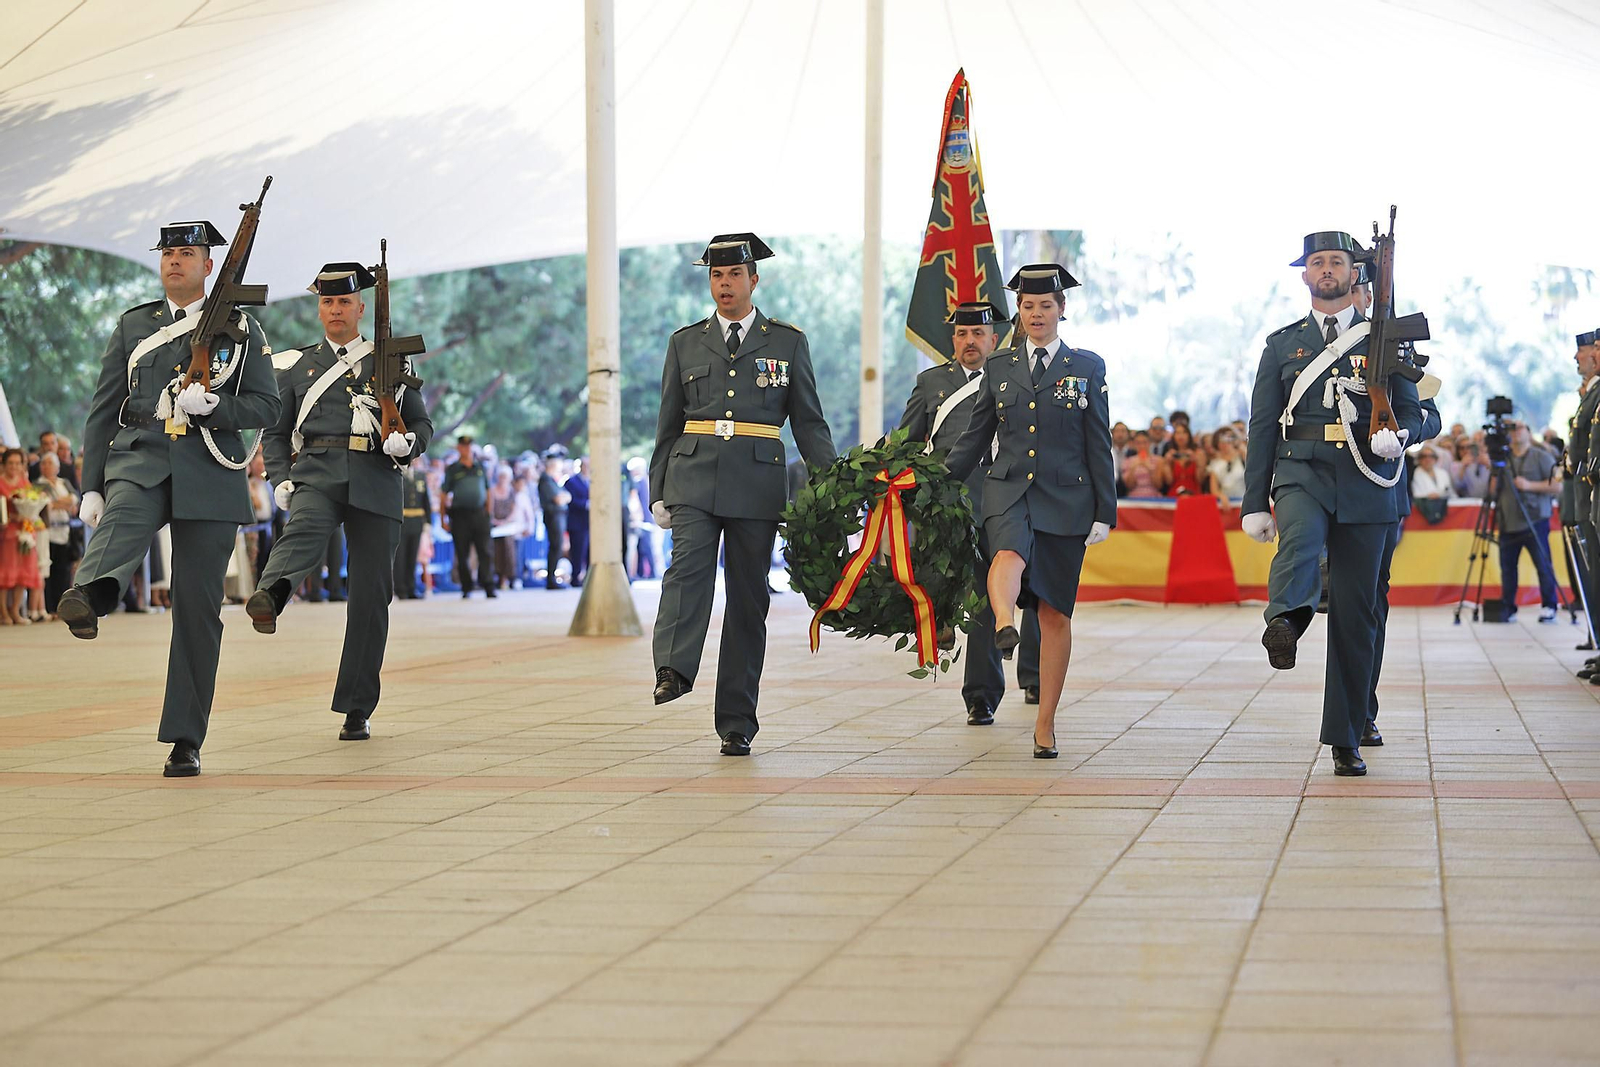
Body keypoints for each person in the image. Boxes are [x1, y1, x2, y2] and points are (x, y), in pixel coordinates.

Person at [58, 219, 279, 776]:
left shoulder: (242, 329)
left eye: (187, 253)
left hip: (209, 468)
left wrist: (218, 409)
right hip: (142, 454)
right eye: (168, 253)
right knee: (124, 516)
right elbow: (103, 407)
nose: (175, 261)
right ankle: (90, 593)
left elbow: (267, 407)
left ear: (210, 266)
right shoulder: (135, 325)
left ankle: (185, 737)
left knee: (197, 609)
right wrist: (90, 483)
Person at [1241, 230, 1423, 778]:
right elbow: (1261, 426)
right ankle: (1286, 622)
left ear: (1353, 272)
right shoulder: (1281, 344)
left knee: (1357, 613)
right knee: (1298, 542)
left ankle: (1346, 735)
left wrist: (1403, 434)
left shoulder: (1385, 339)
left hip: (1370, 480)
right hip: (1303, 471)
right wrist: (1255, 501)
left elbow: (1419, 411)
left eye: (1336, 261)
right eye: (1316, 262)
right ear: (1304, 276)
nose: (1326, 270)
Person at [649, 232, 837, 755]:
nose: (724, 284)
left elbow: (809, 423)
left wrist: (833, 485)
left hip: (756, 484)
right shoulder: (685, 342)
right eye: (716, 275)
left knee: (749, 601)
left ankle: (736, 720)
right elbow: (667, 423)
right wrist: (657, 487)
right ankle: (674, 668)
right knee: (687, 570)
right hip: (692, 477)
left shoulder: (786, 342)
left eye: (734, 275)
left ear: (754, 280)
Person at [246, 261, 434, 742]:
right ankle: (272, 593)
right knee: (304, 528)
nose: (335, 309)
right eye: (327, 301)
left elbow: (422, 424)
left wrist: (406, 444)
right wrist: (280, 477)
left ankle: (356, 707)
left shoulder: (389, 360)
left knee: (371, 598)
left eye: (343, 301)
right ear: (319, 308)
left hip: (375, 475)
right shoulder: (295, 365)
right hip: (318, 471)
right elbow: (276, 429)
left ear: (360, 308)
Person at [946, 263, 1116, 759]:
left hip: (1067, 498)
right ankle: (1003, 623)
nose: (1036, 313)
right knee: (1007, 556)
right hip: (1008, 488)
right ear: (1018, 314)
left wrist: (1105, 510)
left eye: (1045, 305)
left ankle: (1046, 725)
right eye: (1027, 306)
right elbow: (975, 435)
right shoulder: (999, 367)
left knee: (1055, 613)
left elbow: (1098, 440)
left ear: (1062, 310)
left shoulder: (1087, 367)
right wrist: (934, 480)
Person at [896, 300, 1008, 726]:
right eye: (961, 334)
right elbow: (907, 441)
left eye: (978, 334)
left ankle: (980, 695)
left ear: (993, 339)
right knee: (941, 583)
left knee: (985, 598)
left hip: (996, 500)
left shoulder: (1009, 376)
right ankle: (939, 624)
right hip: (945, 504)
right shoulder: (930, 382)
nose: (969, 342)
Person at [1352, 260, 1442, 748]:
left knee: (1369, 605)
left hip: (1382, 491)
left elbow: (1431, 416)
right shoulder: (1314, 346)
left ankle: (1364, 708)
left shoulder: (1397, 347)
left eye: (1364, 288)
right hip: (1328, 492)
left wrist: (1404, 432)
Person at [1496, 418, 1560, 622]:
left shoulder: (1541, 456)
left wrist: (1529, 485)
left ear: (1529, 433)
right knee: (1507, 569)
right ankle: (1508, 606)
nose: (1515, 432)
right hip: (1508, 521)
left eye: (1519, 427)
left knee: (1543, 565)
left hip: (1535, 521)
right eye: (1511, 429)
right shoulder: (1503, 459)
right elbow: (1491, 490)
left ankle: (1550, 605)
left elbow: (1557, 486)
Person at [442, 435, 494, 597]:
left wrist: (488, 512)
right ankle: (466, 587)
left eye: (469, 446)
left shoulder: (480, 467)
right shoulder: (453, 469)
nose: (466, 449)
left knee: (485, 551)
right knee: (462, 552)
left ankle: (488, 585)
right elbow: (443, 494)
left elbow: (488, 491)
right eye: (463, 446)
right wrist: (444, 517)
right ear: (458, 448)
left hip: (479, 514)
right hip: (460, 515)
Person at [35, 451, 79, 618]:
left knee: (64, 571)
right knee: (49, 572)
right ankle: (50, 607)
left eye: (50, 463)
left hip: (65, 531)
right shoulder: (39, 484)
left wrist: (62, 503)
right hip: (48, 531)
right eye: (44, 463)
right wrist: (64, 502)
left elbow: (74, 499)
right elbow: (47, 505)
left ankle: (63, 607)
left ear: (57, 467)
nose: (47, 467)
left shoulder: (64, 482)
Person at [395, 454, 431, 598]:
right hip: (402, 519)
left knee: (412, 556)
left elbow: (425, 501)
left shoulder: (420, 476)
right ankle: (400, 588)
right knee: (401, 557)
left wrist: (428, 522)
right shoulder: (397, 474)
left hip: (417, 520)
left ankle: (411, 587)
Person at [537, 445, 570, 589]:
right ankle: (551, 579)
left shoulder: (553, 480)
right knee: (555, 546)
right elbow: (558, 498)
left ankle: (552, 577)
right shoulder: (545, 480)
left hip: (559, 516)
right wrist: (563, 498)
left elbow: (567, 496)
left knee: (557, 547)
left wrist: (564, 498)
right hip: (553, 516)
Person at [565, 457, 591, 587]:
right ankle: (575, 578)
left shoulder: (591, 481)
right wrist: (586, 505)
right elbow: (570, 500)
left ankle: (588, 577)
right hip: (577, 523)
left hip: (589, 524)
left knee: (588, 552)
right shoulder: (571, 482)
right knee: (577, 552)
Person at [1206, 426, 1247, 499]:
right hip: (1226, 502)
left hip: (1244, 498)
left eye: (1228, 440)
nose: (1224, 444)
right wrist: (1221, 496)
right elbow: (1214, 489)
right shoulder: (1215, 463)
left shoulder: (1243, 456)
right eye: (1220, 441)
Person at [1163, 422, 1203, 496]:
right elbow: (1169, 481)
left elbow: (1200, 480)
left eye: (1184, 432)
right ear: (1173, 436)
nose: (1181, 436)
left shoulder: (1198, 453)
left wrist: (1197, 462)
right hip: (1175, 494)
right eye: (1177, 433)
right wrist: (1167, 464)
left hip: (1193, 493)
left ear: (1189, 435)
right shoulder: (1171, 454)